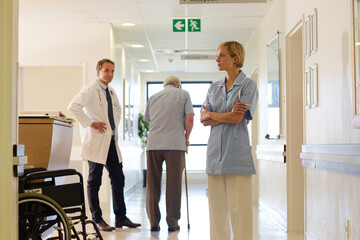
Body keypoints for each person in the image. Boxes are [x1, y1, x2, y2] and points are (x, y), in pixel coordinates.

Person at [68, 58, 141, 231]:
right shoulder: (89, 90)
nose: (110, 74)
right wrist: (90, 123)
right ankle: (97, 218)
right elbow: (73, 106)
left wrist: (113, 129)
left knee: (118, 179)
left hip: (110, 142)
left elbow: (117, 110)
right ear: (98, 71)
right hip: (96, 142)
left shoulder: (112, 91)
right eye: (107, 70)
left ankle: (121, 217)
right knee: (95, 180)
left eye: (112, 71)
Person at [200, 41, 258, 240]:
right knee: (216, 215)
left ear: (235, 59)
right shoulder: (214, 87)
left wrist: (213, 115)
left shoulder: (248, 85)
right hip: (215, 156)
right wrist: (223, 114)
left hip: (237, 157)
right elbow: (203, 119)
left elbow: (237, 118)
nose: (217, 59)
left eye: (222, 55)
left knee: (240, 214)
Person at [144, 75, 194, 232]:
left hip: (153, 145)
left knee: (152, 185)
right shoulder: (183, 94)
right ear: (178, 85)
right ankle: (172, 224)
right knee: (173, 185)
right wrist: (186, 138)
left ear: (164, 85)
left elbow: (150, 121)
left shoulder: (152, 97)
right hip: (175, 144)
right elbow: (190, 119)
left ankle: (153, 223)